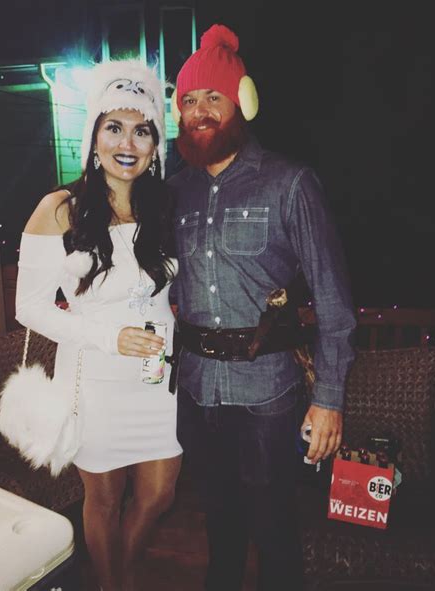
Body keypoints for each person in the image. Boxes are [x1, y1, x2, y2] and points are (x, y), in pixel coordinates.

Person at [168, 24, 357, 591]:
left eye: (213, 98)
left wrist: (329, 400)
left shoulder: (290, 182)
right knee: (219, 528)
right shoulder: (176, 190)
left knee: (275, 531)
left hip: (268, 395)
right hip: (199, 392)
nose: (200, 111)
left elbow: (333, 298)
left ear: (239, 102)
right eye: (189, 100)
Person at [15, 60, 182, 591]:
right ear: (93, 136)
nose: (127, 142)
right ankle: (115, 584)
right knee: (104, 500)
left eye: (142, 130)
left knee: (159, 494)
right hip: (95, 382)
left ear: (156, 143)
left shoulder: (166, 207)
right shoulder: (60, 209)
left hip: (158, 384)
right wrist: (109, 336)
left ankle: (118, 573)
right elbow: (30, 307)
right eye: (114, 127)